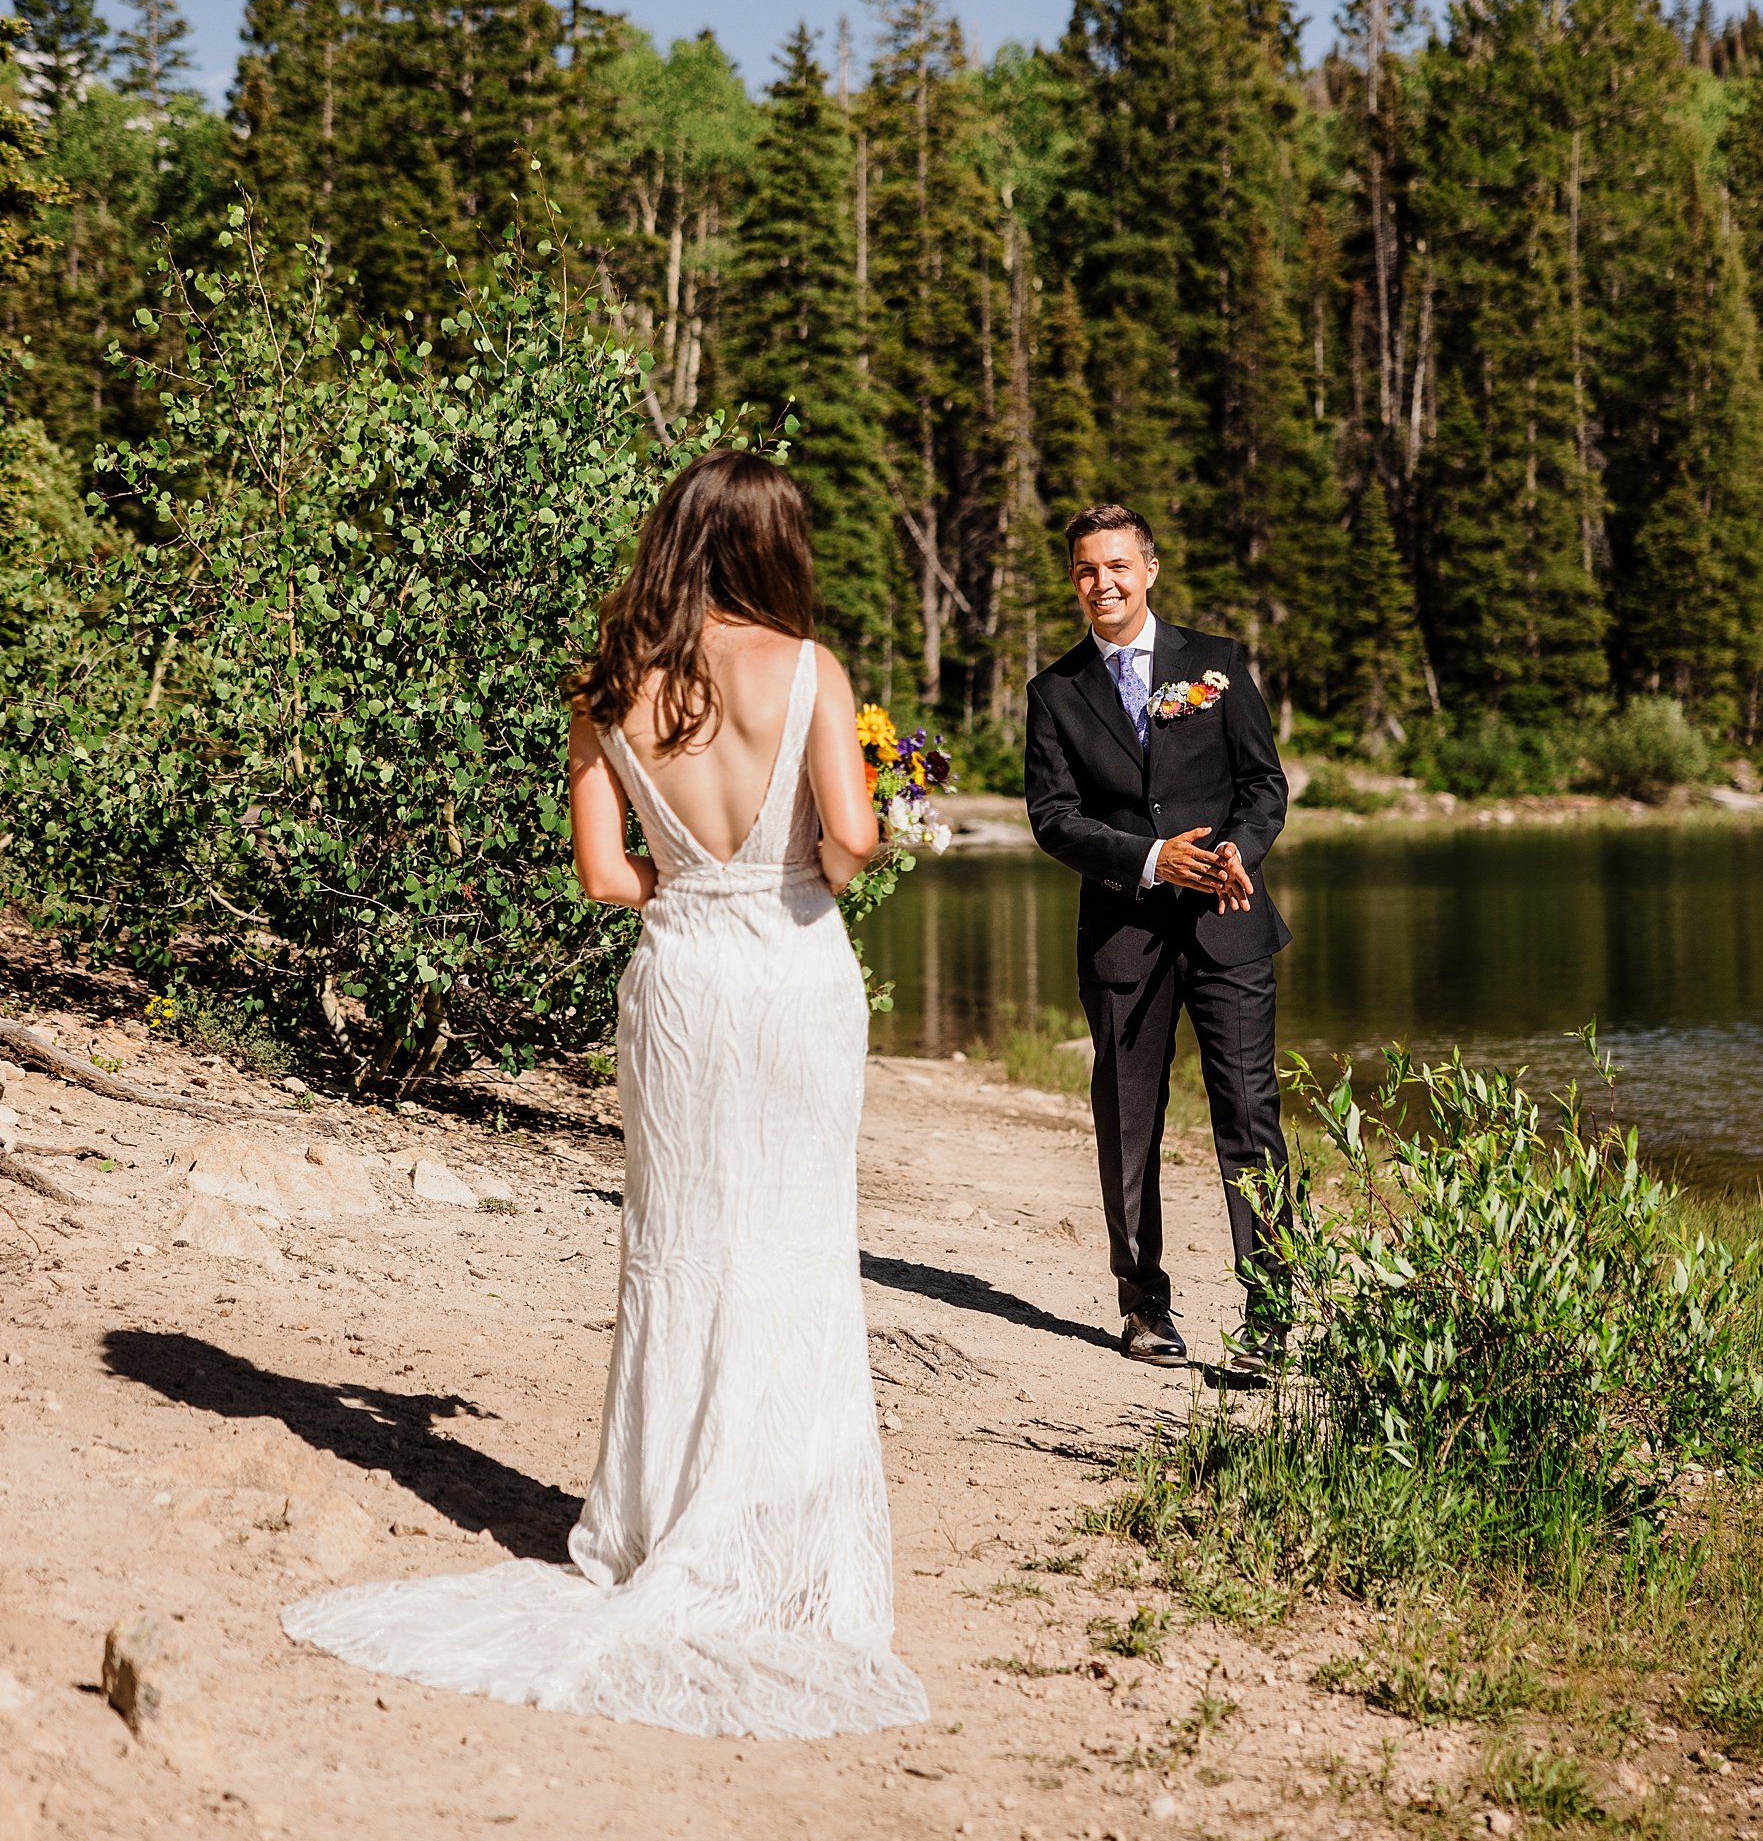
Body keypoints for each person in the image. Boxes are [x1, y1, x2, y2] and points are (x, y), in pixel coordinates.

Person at [284, 452, 928, 1740]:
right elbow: (849, 851)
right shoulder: (810, 669)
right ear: (770, 546)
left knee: (680, 1250)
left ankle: (655, 1519)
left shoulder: (608, 684)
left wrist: (693, 883)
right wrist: (872, 824)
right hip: (793, 975)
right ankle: (773, 1526)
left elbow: (601, 874)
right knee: (795, 1242)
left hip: (684, 979)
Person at [1023, 502, 1292, 1367]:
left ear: (1150, 568)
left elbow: (1264, 786)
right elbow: (1053, 819)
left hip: (1229, 921)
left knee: (1250, 1114)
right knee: (1128, 1119)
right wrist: (1149, 858)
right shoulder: (1054, 693)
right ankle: (1144, 1306)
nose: (1101, 583)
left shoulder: (1214, 664)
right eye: (1084, 571)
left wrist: (1231, 858)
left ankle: (1275, 1314)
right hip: (1124, 935)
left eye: (1115, 566)